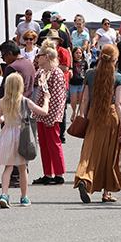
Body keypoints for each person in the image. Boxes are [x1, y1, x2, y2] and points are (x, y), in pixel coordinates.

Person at [73, 44, 121, 203]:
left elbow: (85, 99)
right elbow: (119, 104)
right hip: (111, 116)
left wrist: (82, 116)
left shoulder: (90, 74)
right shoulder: (118, 78)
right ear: (115, 60)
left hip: (93, 115)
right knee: (110, 154)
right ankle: (106, 192)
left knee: (89, 151)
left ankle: (84, 178)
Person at [0, 72, 51, 208]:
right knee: (22, 168)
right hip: (21, 135)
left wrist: (4, 118)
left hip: (7, 135)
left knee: (8, 167)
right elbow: (43, 112)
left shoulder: (2, 101)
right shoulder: (25, 101)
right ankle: (24, 197)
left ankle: (4, 194)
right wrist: (46, 100)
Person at [30, 45, 68, 185]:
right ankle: (48, 173)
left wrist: (53, 117)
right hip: (42, 112)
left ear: (46, 57)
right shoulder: (43, 71)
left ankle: (59, 174)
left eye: (39, 55)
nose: (37, 58)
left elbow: (58, 98)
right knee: (44, 144)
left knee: (54, 144)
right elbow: (34, 81)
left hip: (51, 115)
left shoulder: (56, 73)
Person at [69, 46, 88, 118]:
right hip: (73, 83)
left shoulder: (84, 62)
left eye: (80, 53)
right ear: (73, 53)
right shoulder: (71, 62)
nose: (78, 54)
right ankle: (74, 112)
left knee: (81, 100)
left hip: (82, 83)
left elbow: (86, 71)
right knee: (73, 100)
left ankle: (81, 114)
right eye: (76, 53)